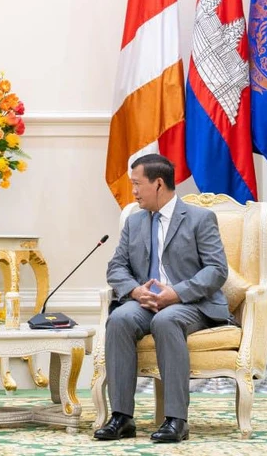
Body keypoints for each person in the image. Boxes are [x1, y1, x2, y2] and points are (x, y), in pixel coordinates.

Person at [95, 153, 230, 444]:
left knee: (167, 321)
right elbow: (116, 267)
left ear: (158, 184)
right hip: (145, 302)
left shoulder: (199, 218)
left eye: (136, 184)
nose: (133, 192)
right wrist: (134, 291)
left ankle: (175, 420)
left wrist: (176, 293)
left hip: (190, 304)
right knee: (119, 318)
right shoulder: (135, 221)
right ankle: (121, 417)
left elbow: (217, 270)